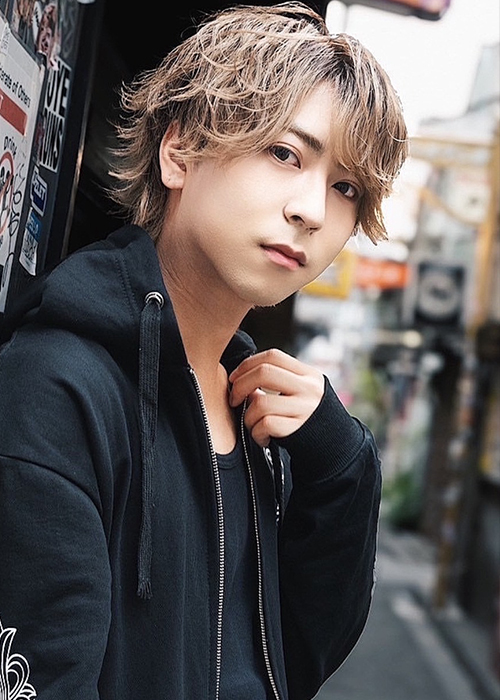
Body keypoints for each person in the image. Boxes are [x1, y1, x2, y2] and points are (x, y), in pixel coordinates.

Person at [0, 3, 408, 698]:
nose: (312, 211)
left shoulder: (257, 418)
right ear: (180, 151)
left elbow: (292, 662)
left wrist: (342, 466)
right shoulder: (56, 391)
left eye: (345, 187)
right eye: (285, 153)